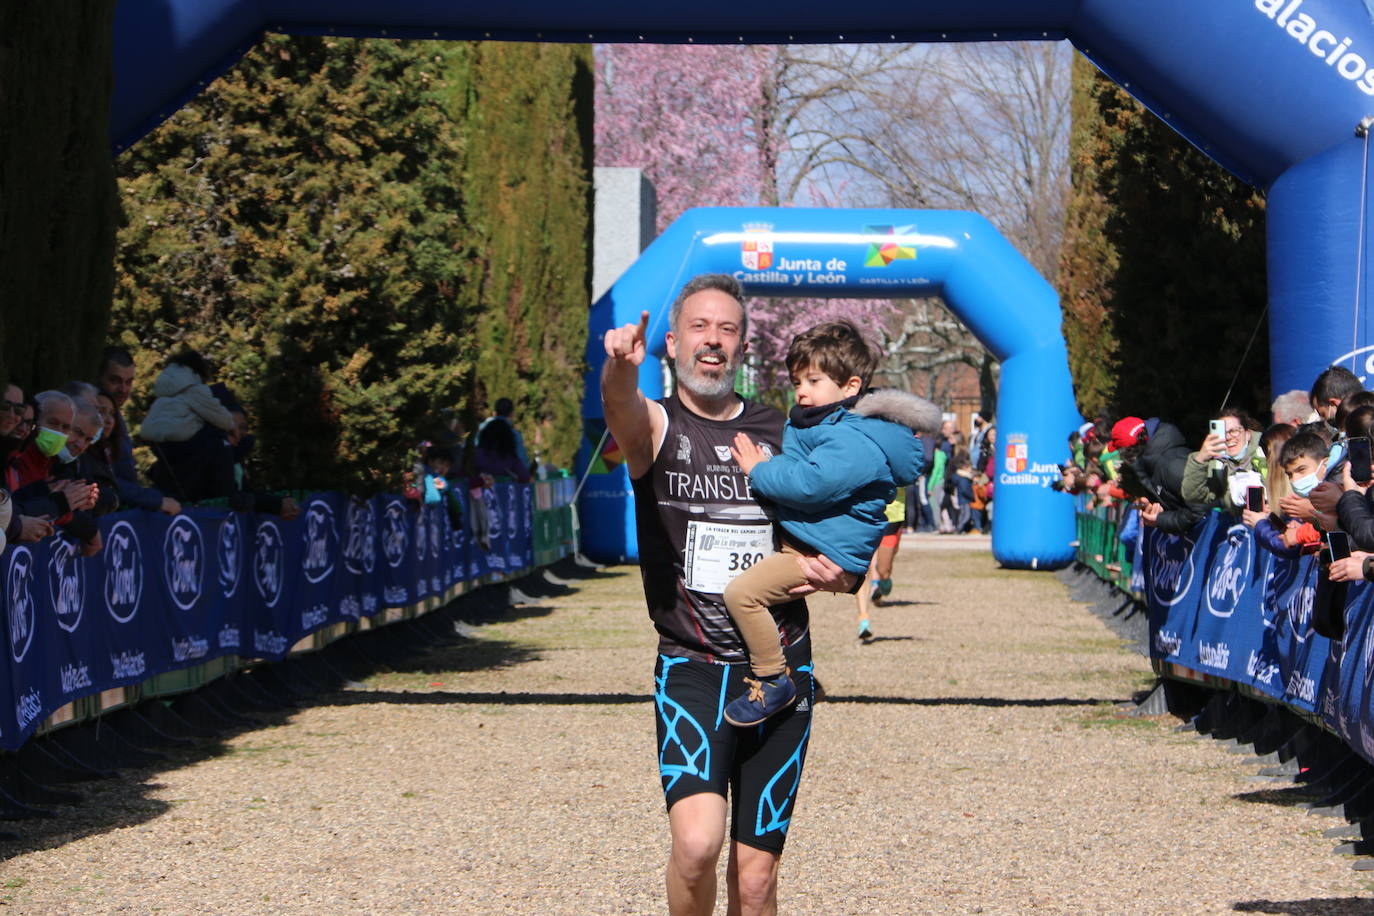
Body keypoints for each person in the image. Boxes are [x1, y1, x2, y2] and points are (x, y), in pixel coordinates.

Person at [600, 273, 851, 916]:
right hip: (692, 667)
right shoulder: (657, 427)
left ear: (743, 346)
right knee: (695, 845)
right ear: (675, 342)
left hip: (782, 673)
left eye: (727, 329)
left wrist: (840, 575)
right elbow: (622, 411)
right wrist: (619, 370)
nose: (712, 341)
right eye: (699, 327)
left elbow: (841, 533)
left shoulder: (788, 431)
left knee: (757, 879)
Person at [722, 321, 932, 723]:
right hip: (813, 541)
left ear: (850, 387)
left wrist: (759, 470)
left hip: (818, 550)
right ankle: (791, 676)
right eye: (797, 379)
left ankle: (771, 679)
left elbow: (809, 484)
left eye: (813, 380)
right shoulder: (828, 423)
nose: (801, 390)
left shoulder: (853, 440)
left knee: (742, 595)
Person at [140, 350, 240, 504]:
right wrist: (232, 426)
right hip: (188, 442)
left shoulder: (162, 396)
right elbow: (219, 415)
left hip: (165, 449)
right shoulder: (193, 389)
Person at [96, 346, 180, 515]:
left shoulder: (118, 417)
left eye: (129, 382)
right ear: (98, 377)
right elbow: (99, 479)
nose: (123, 389)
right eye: (115, 380)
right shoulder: (91, 419)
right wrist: (154, 500)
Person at [1112, 415, 1207, 534]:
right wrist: (1153, 510)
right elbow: (1176, 506)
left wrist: (1159, 520)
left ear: (1129, 452)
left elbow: (1200, 513)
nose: (1122, 459)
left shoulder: (1172, 466)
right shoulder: (1151, 464)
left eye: (1121, 453)